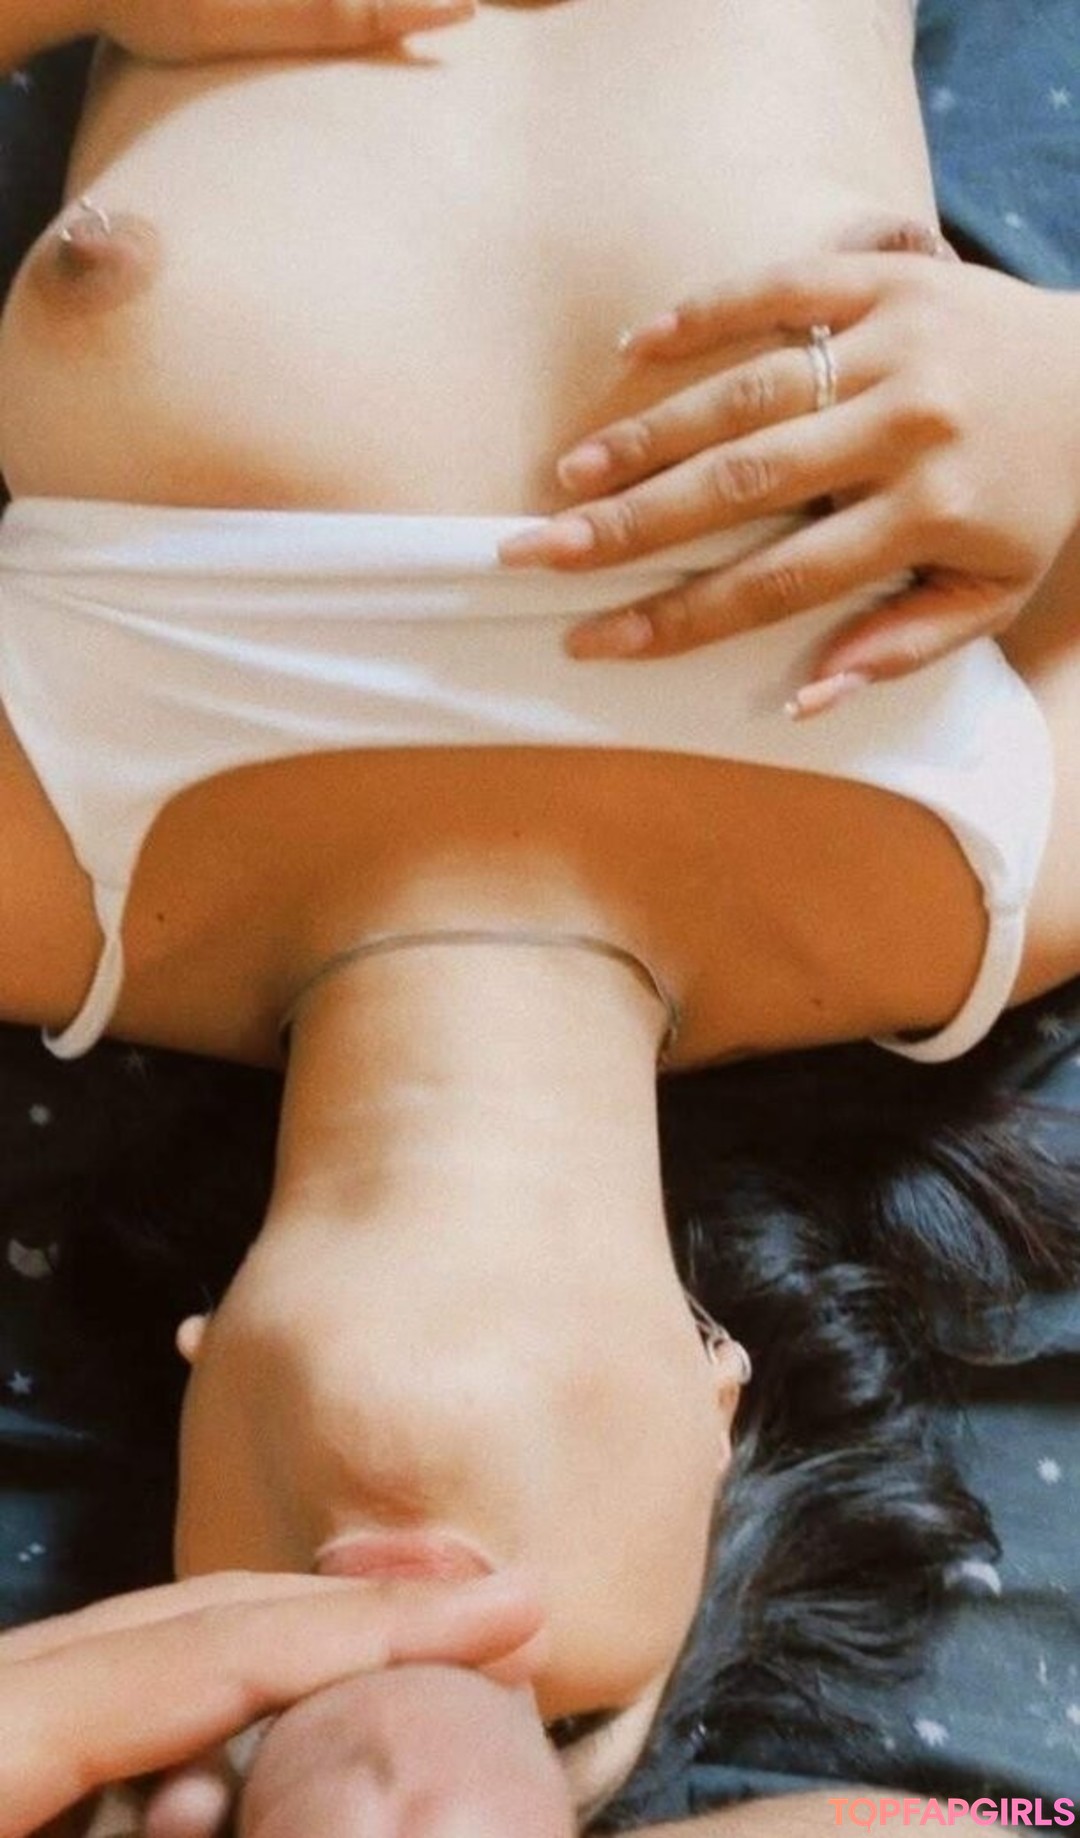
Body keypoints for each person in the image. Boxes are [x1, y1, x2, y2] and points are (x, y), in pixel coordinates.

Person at [0, 0, 1079, 1829]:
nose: (407, 1731)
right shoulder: (962, 875)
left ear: (197, 1372)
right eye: (569, 1718)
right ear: (717, 1400)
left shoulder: (45, 858)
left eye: (253, 1754)